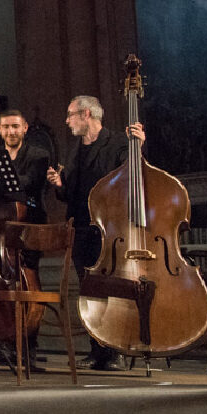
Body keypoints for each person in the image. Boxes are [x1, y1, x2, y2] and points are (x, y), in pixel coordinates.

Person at [46, 95, 144, 371]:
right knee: (89, 291)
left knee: (111, 290)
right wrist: (58, 184)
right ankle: (96, 350)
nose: (67, 121)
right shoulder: (74, 149)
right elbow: (70, 194)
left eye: (70, 115)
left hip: (109, 228)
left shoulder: (117, 143)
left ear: (86, 114)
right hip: (81, 228)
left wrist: (138, 146)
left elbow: (133, 175)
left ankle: (115, 352)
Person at [0, 109, 51, 368]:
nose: (10, 132)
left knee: (27, 283)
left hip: (28, 227)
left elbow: (28, 183)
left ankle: (29, 350)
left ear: (24, 129)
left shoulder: (38, 156)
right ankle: (0, 347)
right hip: (0, 230)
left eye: (15, 127)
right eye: (5, 127)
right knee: (0, 284)